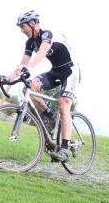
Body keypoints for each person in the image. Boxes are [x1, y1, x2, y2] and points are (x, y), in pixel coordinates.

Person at [10, 10, 81, 162]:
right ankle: (50, 117)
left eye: (23, 27)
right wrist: (9, 78)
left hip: (70, 72)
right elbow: (23, 63)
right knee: (29, 87)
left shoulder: (46, 34)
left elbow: (42, 52)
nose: (22, 31)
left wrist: (30, 68)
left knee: (63, 104)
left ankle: (64, 149)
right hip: (55, 72)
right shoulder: (30, 42)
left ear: (33, 23)